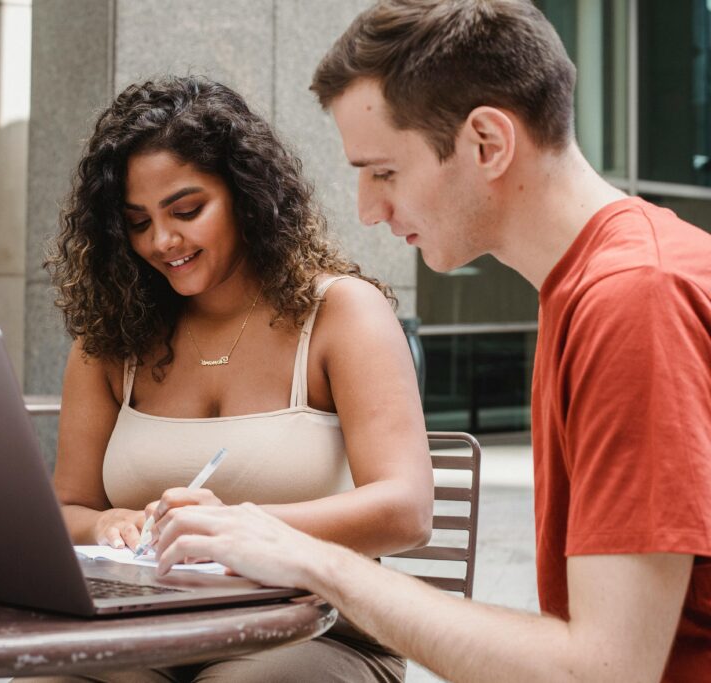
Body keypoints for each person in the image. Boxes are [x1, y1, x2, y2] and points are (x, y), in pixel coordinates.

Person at [152, 2, 711, 682]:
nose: (366, 208)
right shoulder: (596, 282)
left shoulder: (633, 298)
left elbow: (605, 670)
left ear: (487, 143)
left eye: (383, 172)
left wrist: (306, 553)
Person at [44, 75, 434, 682]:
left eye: (187, 210)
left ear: (247, 195)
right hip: (146, 637)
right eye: (138, 222)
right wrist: (101, 524)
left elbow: (406, 510)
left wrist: (238, 528)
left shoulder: (339, 314)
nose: (162, 240)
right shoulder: (110, 340)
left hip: (313, 631)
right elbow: (65, 507)